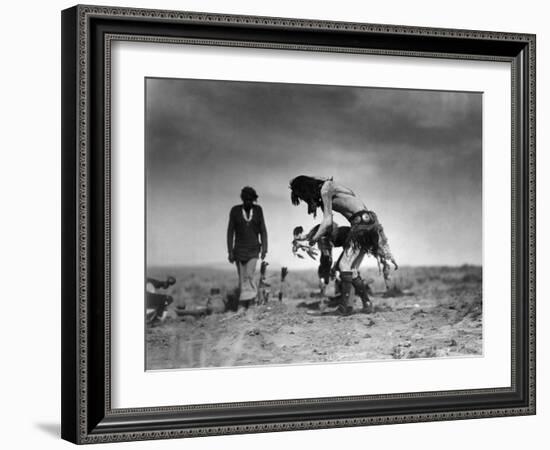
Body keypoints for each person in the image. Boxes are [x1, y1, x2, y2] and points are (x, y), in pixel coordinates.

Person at [290, 175, 397, 315]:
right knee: (351, 270)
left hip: (360, 225)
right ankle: (367, 303)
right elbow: (330, 222)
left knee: (344, 266)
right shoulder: (332, 187)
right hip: (369, 222)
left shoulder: (325, 189)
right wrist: (307, 237)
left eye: (303, 197)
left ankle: (344, 308)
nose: (305, 201)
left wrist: (312, 240)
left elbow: (327, 222)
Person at [227, 186, 268, 308]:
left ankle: (250, 303)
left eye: (251, 200)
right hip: (239, 250)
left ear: (254, 200)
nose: (248, 202)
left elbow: (263, 230)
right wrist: (230, 251)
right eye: (246, 200)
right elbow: (230, 232)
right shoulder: (235, 211)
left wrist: (264, 248)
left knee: (249, 275)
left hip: (253, 249)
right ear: (243, 199)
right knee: (241, 278)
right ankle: (243, 303)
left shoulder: (258, 210)